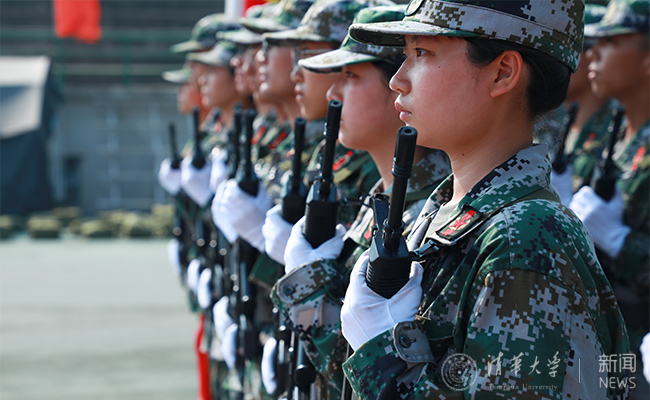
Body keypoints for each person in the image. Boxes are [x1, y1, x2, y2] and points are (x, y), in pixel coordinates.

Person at [337, 0, 631, 398]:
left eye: (422, 53)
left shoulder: (522, 238)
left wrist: (382, 361)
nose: (398, 80)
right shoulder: (447, 213)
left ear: (502, 72)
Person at [266, 5, 451, 399]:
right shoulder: (381, 200)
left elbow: (358, 367)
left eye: (350, 76)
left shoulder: (428, 213)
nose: (332, 93)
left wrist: (307, 286)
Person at [569, 0, 649, 397]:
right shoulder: (616, 135)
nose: (593, 52)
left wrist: (619, 241)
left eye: (612, 41)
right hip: (604, 340)